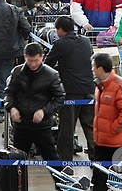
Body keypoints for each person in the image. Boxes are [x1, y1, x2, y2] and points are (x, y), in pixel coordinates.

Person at [5, 42, 65, 186]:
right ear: (25, 57)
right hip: (21, 124)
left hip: (42, 126)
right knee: (17, 163)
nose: (33, 64)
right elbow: (9, 93)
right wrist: (11, 107)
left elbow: (60, 97)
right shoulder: (17, 72)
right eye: (30, 60)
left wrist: (44, 111)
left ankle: (64, 186)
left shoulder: (51, 74)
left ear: (42, 57)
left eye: (36, 60)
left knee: (52, 159)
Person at [45, 16, 95, 161]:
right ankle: (96, 159)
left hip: (70, 92)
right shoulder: (86, 41)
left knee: (67, 128)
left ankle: (64, 161)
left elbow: (47, 65)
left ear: (60, 30)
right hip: (88, 89)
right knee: (90, 126)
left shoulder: (60, 44)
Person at [90, 52, 122, 191]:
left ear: (101, 68)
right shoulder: (100, 86)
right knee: (98, 180)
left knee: (117, 182)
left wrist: (112, 129)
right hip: (102, 142)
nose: (92, 70)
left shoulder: (119, 85)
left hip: (117, 144)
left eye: (93, 67)